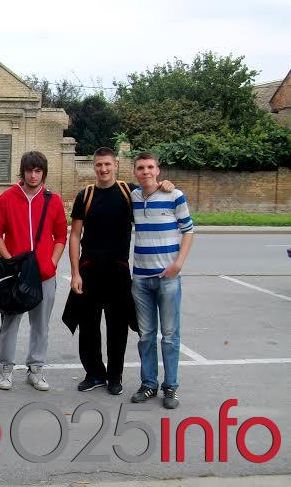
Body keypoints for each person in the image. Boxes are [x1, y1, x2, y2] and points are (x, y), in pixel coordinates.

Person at [65, 147, 175, 396]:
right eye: (99, 165)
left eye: (107, 164)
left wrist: (164, 185)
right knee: (88, 326)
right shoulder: (85, 195)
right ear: (94, 167)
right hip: (89, 269)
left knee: (118, 327)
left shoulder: (129, 193)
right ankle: (94, 374)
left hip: (118, 270)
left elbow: (151, 193)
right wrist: (75, 273)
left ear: (115, 164)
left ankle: (115, 376)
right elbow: (75, 235)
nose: (103, 169)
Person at [0, 151, 67, 392]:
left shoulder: (53, 200)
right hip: (17, 275)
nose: (33, 175)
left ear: (43, 173)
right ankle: (5, 368)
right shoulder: (8, 197)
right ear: (22, 172)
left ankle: (36, 369)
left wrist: (52, 263)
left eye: (38, 171)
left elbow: (61, 236)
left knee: (41, 325)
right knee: (10, 322)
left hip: (45, 275)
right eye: (29, 170)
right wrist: (10, 261)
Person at [129, 152, 194, 410]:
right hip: (140, 279)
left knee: (169, 336)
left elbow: (188, 231)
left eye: (150, 167)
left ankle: (171, 387)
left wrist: (178, 264)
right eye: (140, 168)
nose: (145, 171)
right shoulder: (133, 197)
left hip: (168, 278)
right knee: (145, 336)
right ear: (135, 172)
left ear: (158, 170)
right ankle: (148, 384)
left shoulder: (174, 195)